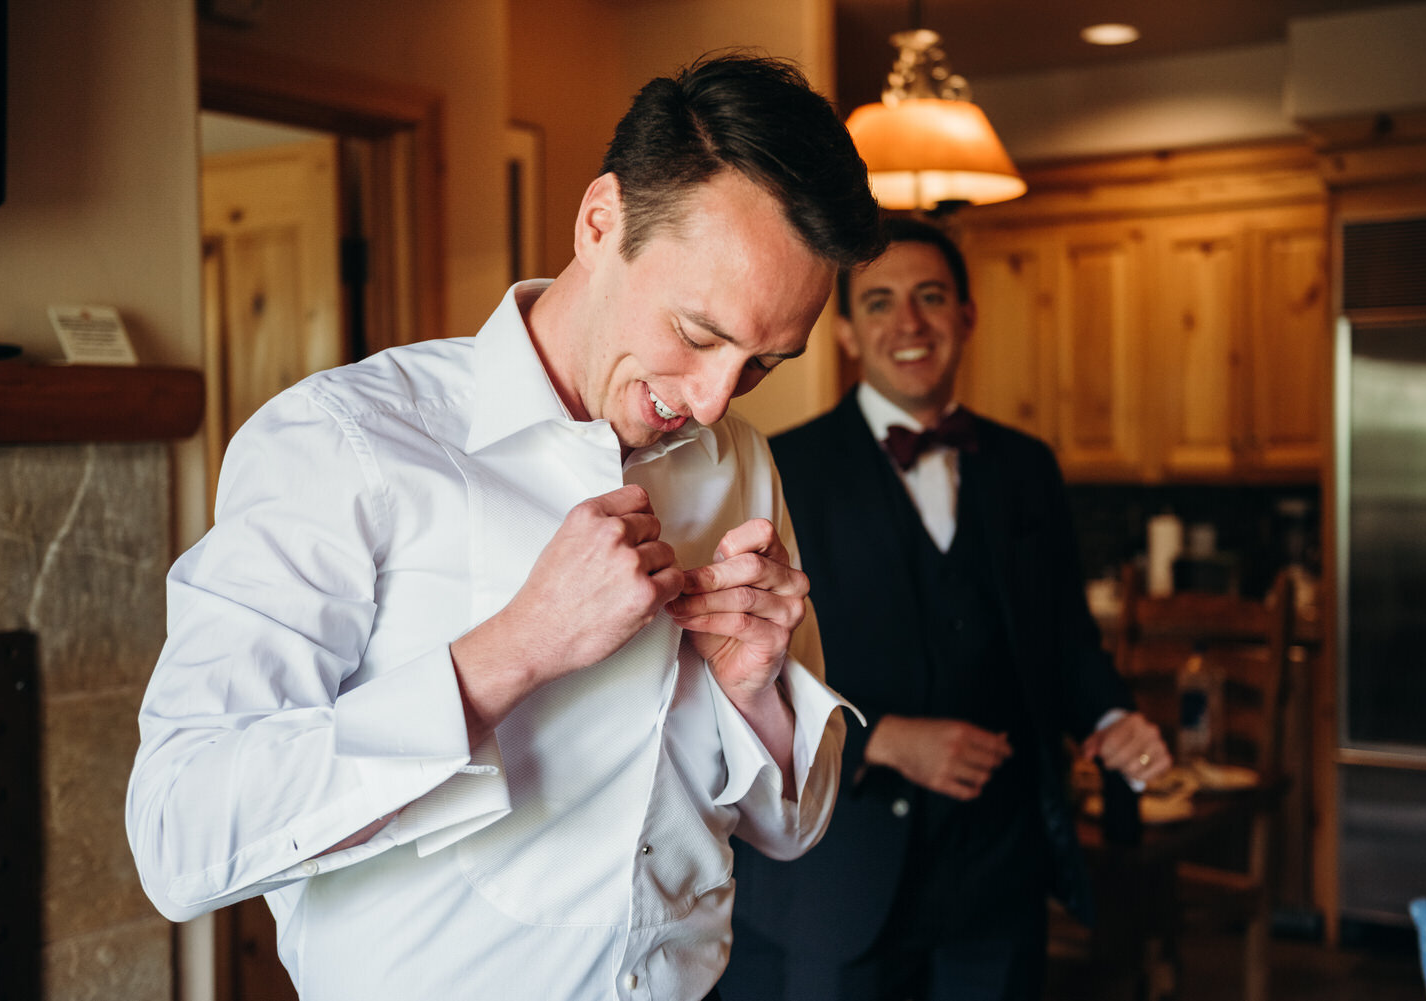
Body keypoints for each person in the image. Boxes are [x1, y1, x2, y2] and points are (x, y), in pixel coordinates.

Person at [125, 53, 882, 1001]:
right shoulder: (342, 440)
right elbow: (179, 836)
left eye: (763, 364)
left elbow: (791, 827)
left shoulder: (739, 463)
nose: (714, 397)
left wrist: (755, 692)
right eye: (697, 333)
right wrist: (511, 653)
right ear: (600, 220)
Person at [719, 217, 1173, 1001]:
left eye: (931, 297)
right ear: (851, 332)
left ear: (966, 315)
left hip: (998, 873)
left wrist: (1110, 716)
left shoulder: (1027, 467)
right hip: (838, 877)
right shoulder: (778, 467)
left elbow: (1066, 640)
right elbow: (738, 671)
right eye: (882, 302)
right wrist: (882, 739)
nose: (910, 323)